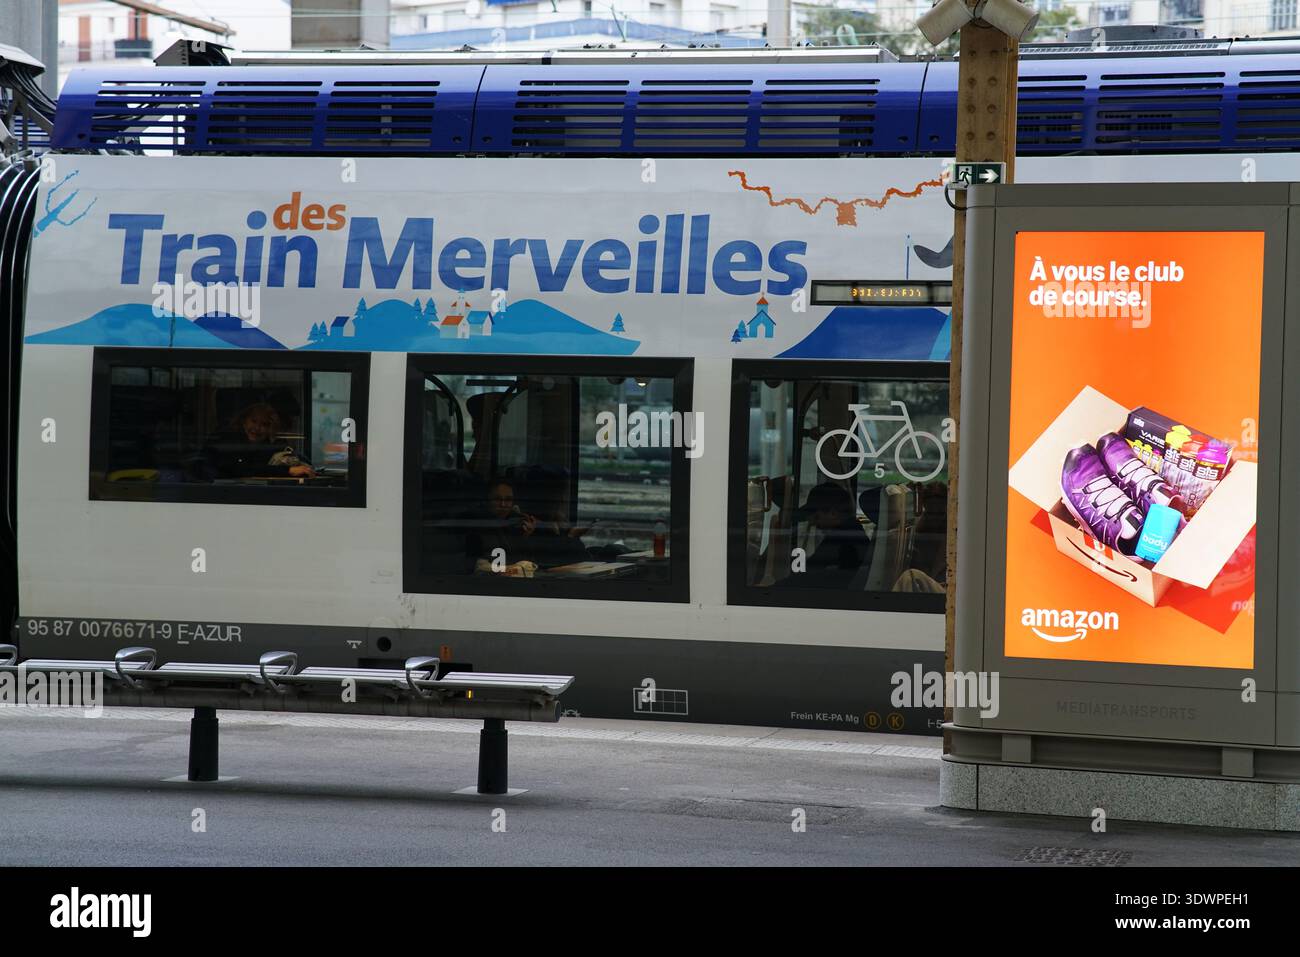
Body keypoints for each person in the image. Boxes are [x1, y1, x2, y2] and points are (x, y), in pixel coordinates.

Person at [200, 402, 315, 481]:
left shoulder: (268, 442)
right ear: (244, 420)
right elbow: (244, 469)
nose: (257, 428)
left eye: (264, 424)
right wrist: (288, 470)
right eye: (253, 421)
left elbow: (292, 456)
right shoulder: (228, 438)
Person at [791, 482, 871, 589]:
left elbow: (810, 570)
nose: (812, 523)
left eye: (817, 517)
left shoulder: (842, 535)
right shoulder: (852, 529)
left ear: (833, 513)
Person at [470, 479, 538, 571]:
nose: (503, 504)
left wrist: (525, 537)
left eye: (508, 499)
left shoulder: (517, 526)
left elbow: (531, 565)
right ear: (487, 500)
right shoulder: (477, 526)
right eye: (497, 499)